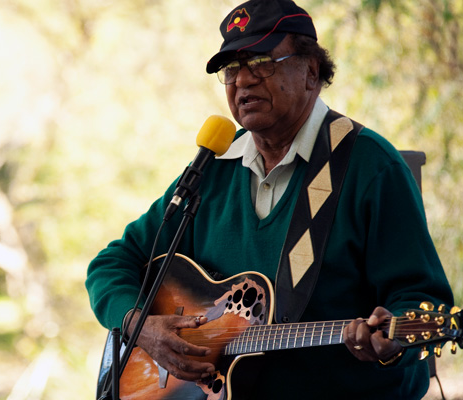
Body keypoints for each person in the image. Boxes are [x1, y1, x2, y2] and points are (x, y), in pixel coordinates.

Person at [86, 0, 454, 398]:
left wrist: (391, 341)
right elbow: (113, 262)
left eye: (260, 62)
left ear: (311, 71)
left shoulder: (369, 166)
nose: (242, 81)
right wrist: (141, 326)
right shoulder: (215, 164)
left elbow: (419, 301)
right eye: (231, 69)